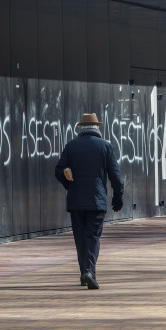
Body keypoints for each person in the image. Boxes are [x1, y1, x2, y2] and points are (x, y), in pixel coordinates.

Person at [55, 113, 124, 290]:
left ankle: (83, 272)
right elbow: (115, 175)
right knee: (92, 236)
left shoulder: (71, 146)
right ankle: (89, 271)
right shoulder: (105, 146)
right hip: (96, 199)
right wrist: (118, 195)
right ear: (97, 128)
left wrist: (67, 180)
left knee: (80, 237)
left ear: (81, 128)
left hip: (76, 200)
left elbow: (59, 170)